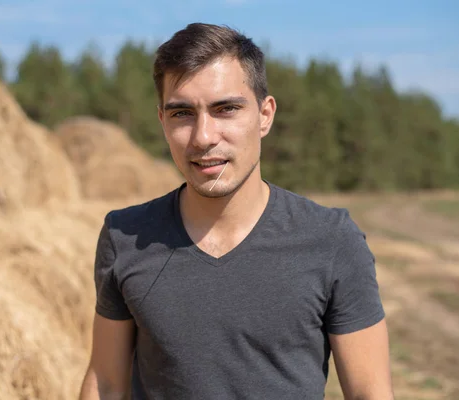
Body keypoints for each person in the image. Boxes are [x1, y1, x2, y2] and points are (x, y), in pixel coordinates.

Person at [79, 22, 394, 400]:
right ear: (162, 120)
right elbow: (107, 383)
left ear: (265, 115)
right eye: (182, 114)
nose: (203, 137)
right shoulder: (124, 236)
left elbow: (369, 393)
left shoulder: (331, 240)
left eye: (225, 109)